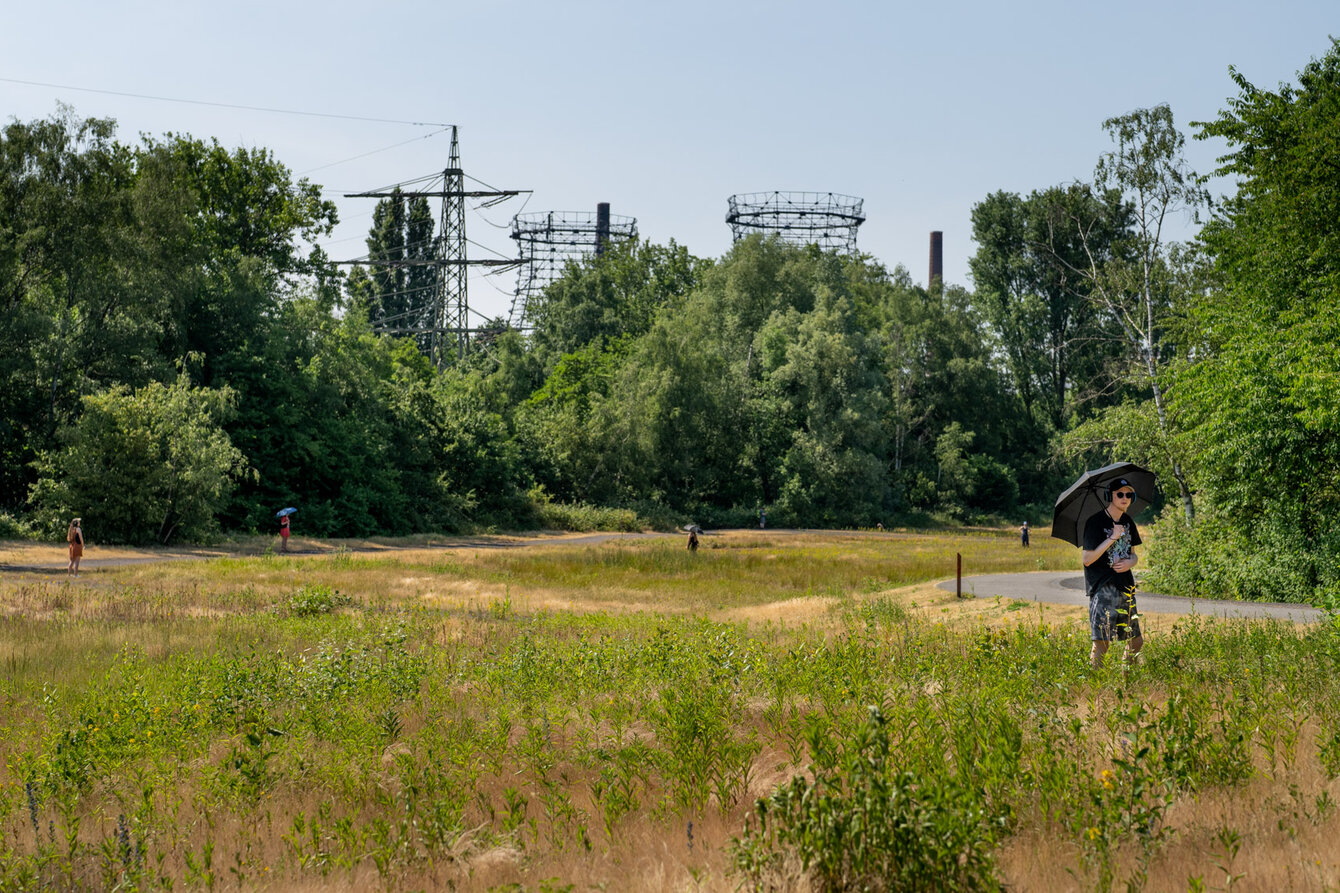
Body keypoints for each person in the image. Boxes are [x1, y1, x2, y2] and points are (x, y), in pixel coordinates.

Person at [1081, 478, 1143, 669]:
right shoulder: (1095, 522)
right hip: (1103, 588)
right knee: (1102, 642)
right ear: (1110, 496)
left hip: (1125, 585)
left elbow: (1134, 555)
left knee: (1135, 641)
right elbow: (1087, 559)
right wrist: (1112, 537)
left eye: (1129, 495)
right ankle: (1094, 686)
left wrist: (1129, 563)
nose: (1125, 498)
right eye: (1120, 494)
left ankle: (1127, 681)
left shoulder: (1127, 521)